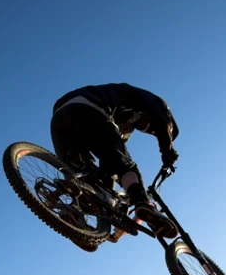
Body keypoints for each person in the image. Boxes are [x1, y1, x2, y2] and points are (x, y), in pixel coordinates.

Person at [50, 83, 180, 251]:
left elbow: (109, 164)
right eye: (146, 126)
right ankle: (142, 202)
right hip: (86, 108)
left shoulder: (122, 127)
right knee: (125, 165)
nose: (143, 128)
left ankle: (73, 216)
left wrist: (107, 195)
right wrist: (167, 151)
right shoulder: (149, 101)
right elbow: (161, 120)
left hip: (60, 120)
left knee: (87, 181)